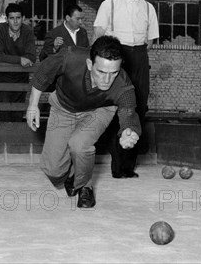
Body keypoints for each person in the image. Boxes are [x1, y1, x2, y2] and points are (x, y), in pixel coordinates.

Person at [26, 36, 141, 208]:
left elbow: (128, 112)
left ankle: (84, 187)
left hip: (98, 111)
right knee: (53, 169)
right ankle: (74, 174)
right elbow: (44, 71)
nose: (107, 80)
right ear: (89, 64)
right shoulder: (70, 57)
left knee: (80, 144)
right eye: (101, 72)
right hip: (62, 108)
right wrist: (33, 105)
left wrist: (128, 131)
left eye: (113, 73)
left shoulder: (123, 85)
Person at [93, 0, 159, 178]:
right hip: (116, 58)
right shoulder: (109, 4)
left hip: (139, 57)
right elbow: (98, 36)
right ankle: (116, 166)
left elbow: (149, 42)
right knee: (117, 110)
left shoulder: (149, 8)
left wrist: (135, 56)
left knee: (137, 108)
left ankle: (128, 167)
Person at [0, 2, 36, 121]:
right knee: (4, 112)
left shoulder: (28, 31)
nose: (15, 21)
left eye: (18, 18)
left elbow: (31, 57)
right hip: (2, 77)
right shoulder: (0, 29)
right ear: (6, 19)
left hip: (21, 77)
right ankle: (3, 139)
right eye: (11, 18)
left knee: (18, 113)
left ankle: (16, 140)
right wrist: (19, 59)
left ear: (23, 18)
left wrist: (11, 58)